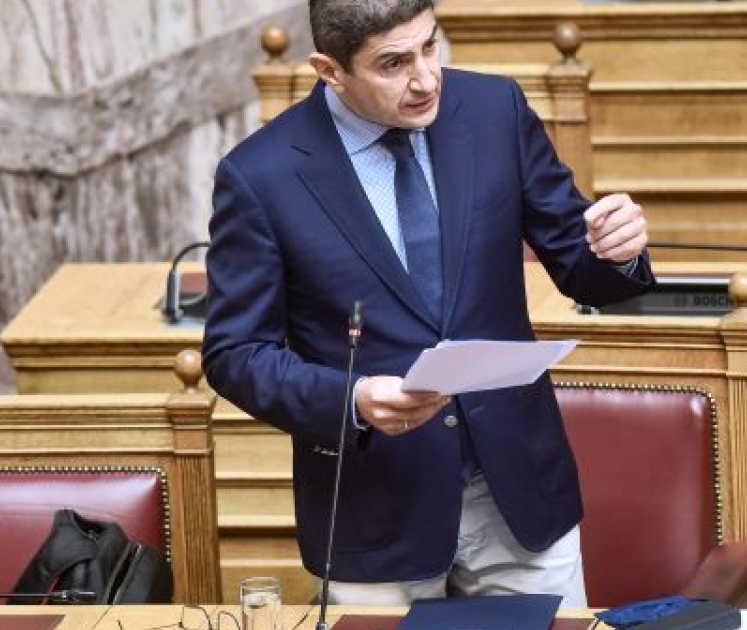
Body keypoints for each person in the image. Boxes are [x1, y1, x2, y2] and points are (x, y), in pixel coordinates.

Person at [201, 0, 653, 607]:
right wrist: (353, 399)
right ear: (330, 70)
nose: (425, 79)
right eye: (393, 64)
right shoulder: (261, 175)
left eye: (430, 46)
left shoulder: (494, 110)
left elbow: (581, 263)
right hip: (376, 516)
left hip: (518, 495)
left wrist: (617, 251)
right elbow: (236, 354)